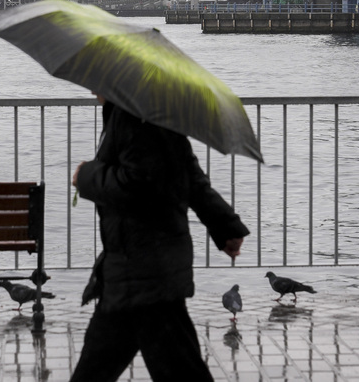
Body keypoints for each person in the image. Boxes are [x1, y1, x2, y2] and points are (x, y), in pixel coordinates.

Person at [70, 93, 249, 381]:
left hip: (145, 273)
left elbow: (138, 185)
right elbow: (190, 176)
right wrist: (225, 225)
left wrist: (86, 176)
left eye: (95, 84)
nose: (92, 90)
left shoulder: (133, 117)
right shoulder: (154, 111)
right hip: (138, 274)